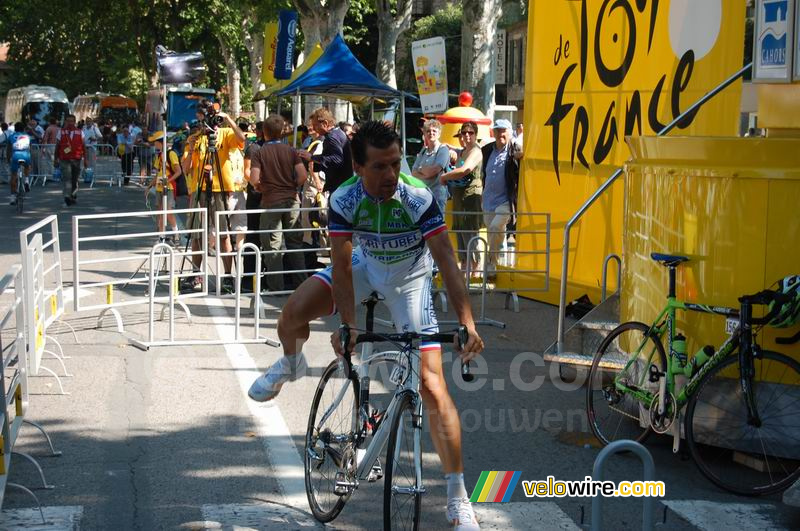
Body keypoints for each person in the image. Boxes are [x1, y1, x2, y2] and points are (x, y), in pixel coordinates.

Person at [248, 121, 483, 530]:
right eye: (379, 167)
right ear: (357, 166)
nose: (390, 175)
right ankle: (289, 365)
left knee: (431, 384)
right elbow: (340, 263)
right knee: (291, 315)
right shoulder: (344, 198)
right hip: (364, 266)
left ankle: (457, 495)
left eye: (394, 164)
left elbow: (446, 257)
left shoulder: (416, 196)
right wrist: (348, 326)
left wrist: (467, 322)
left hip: (410, 278)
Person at [181, 103, 246, 294]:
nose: (211, 125)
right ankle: (195, 274)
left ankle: (227, 276)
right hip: (199, 189)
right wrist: (192, 148)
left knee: (223, 234)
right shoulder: (195, 138)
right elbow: (185, 169)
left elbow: (242, 139)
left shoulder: (225, 134)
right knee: (196, 234)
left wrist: (229, 120)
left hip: (221, 190)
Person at [248, 115, 308, 292]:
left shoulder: (259, 152)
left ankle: (276, 287)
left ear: (264, 132)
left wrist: (261, 187)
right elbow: (303, 176)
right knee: (295, 244)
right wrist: (292, 186)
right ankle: (302, 286)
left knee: (272, 247)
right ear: (282, 132)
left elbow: (254, 178)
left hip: (270, 201)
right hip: (291, 201)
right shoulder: (291, 150)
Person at [440, 122, 484, 276]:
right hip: (459, 198)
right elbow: (452, 148)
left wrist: (445, 177)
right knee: (460, 235)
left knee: (470, 235)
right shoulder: (464, 150)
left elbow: (466, 169)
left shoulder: (476, 151)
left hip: (471, 198)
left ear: (475, 135)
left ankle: (476, 274)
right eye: (464, 132)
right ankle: (465, 273)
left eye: (470, 133)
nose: (466, 135)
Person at [480, 119, 521, 278]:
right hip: (489, 200)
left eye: (503, 130)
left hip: (506, 200)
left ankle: (490, 264)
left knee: (496, 228)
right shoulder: (487, 150)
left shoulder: (515, 149)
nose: (500, 134)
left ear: (510, 133)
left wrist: (521, 155)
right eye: (497, 130)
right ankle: (498, 267)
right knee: (494, 234)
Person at [296, 108, 352, 194]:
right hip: (342, 185)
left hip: (339, 186)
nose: (314, 128)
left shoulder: (332, 137)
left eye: (315, 125)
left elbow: (336, 159)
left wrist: (311, 157)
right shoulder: (338, 133)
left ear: (325, 123)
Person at [145, 131, 181, 240]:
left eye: (155, 142)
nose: (154, 144)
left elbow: (178, 171)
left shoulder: (171, 154)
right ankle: (161, 236)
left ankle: (176, 233)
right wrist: (149, 186)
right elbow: (158, 173)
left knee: (168, 210)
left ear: (160, 142)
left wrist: (168, 180)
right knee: (160, 212)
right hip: (159, 188)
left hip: (169, 188)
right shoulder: (160, 155)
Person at [412, 119, 450, 214]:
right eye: (428, 131)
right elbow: (413, 173)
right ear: (424, 133)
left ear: (439, 133)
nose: (431, 133)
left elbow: (434, 171)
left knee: (438, 225)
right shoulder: (423, 151)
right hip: (423, 196)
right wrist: (425, 171)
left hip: (437, 196)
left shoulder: (443, 150)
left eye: (434, 131)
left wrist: (421, 170)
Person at [54, 114, 86, 206]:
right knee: (67, 178)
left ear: (75, 122)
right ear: (65, 122)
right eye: (68, 121)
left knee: (75, 179)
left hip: (76, 159)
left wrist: (86, 159)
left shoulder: (80, 132)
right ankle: (67, 196)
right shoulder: (61, 132)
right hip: (64, 159)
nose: (70, 123)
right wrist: (55, 159)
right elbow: (57, 146)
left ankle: (73, 194)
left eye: (71, 121)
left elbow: (84, 146)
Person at [7, 122, 32, 205]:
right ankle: (26, 180)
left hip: (15, 156)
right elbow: (29, 148)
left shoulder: (11, 136)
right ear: (23, 129)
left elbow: (9, 149)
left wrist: (8, 159)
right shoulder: (27, 136)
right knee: (27, 166)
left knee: (14, 175)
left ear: (15, 129)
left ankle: (12, 197)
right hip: (25, 155)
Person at [82, 117, 102, 182]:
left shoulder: (94, 128)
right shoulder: (84, 128)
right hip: (85, 147)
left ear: (91, 122)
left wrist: (94, 139)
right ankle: (87, 177)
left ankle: (93, 177)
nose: (88, 122)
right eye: (87, 121)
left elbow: (100, 136)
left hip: (92, 148)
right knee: (86, 163)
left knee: (92, 163)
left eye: (89, 121)